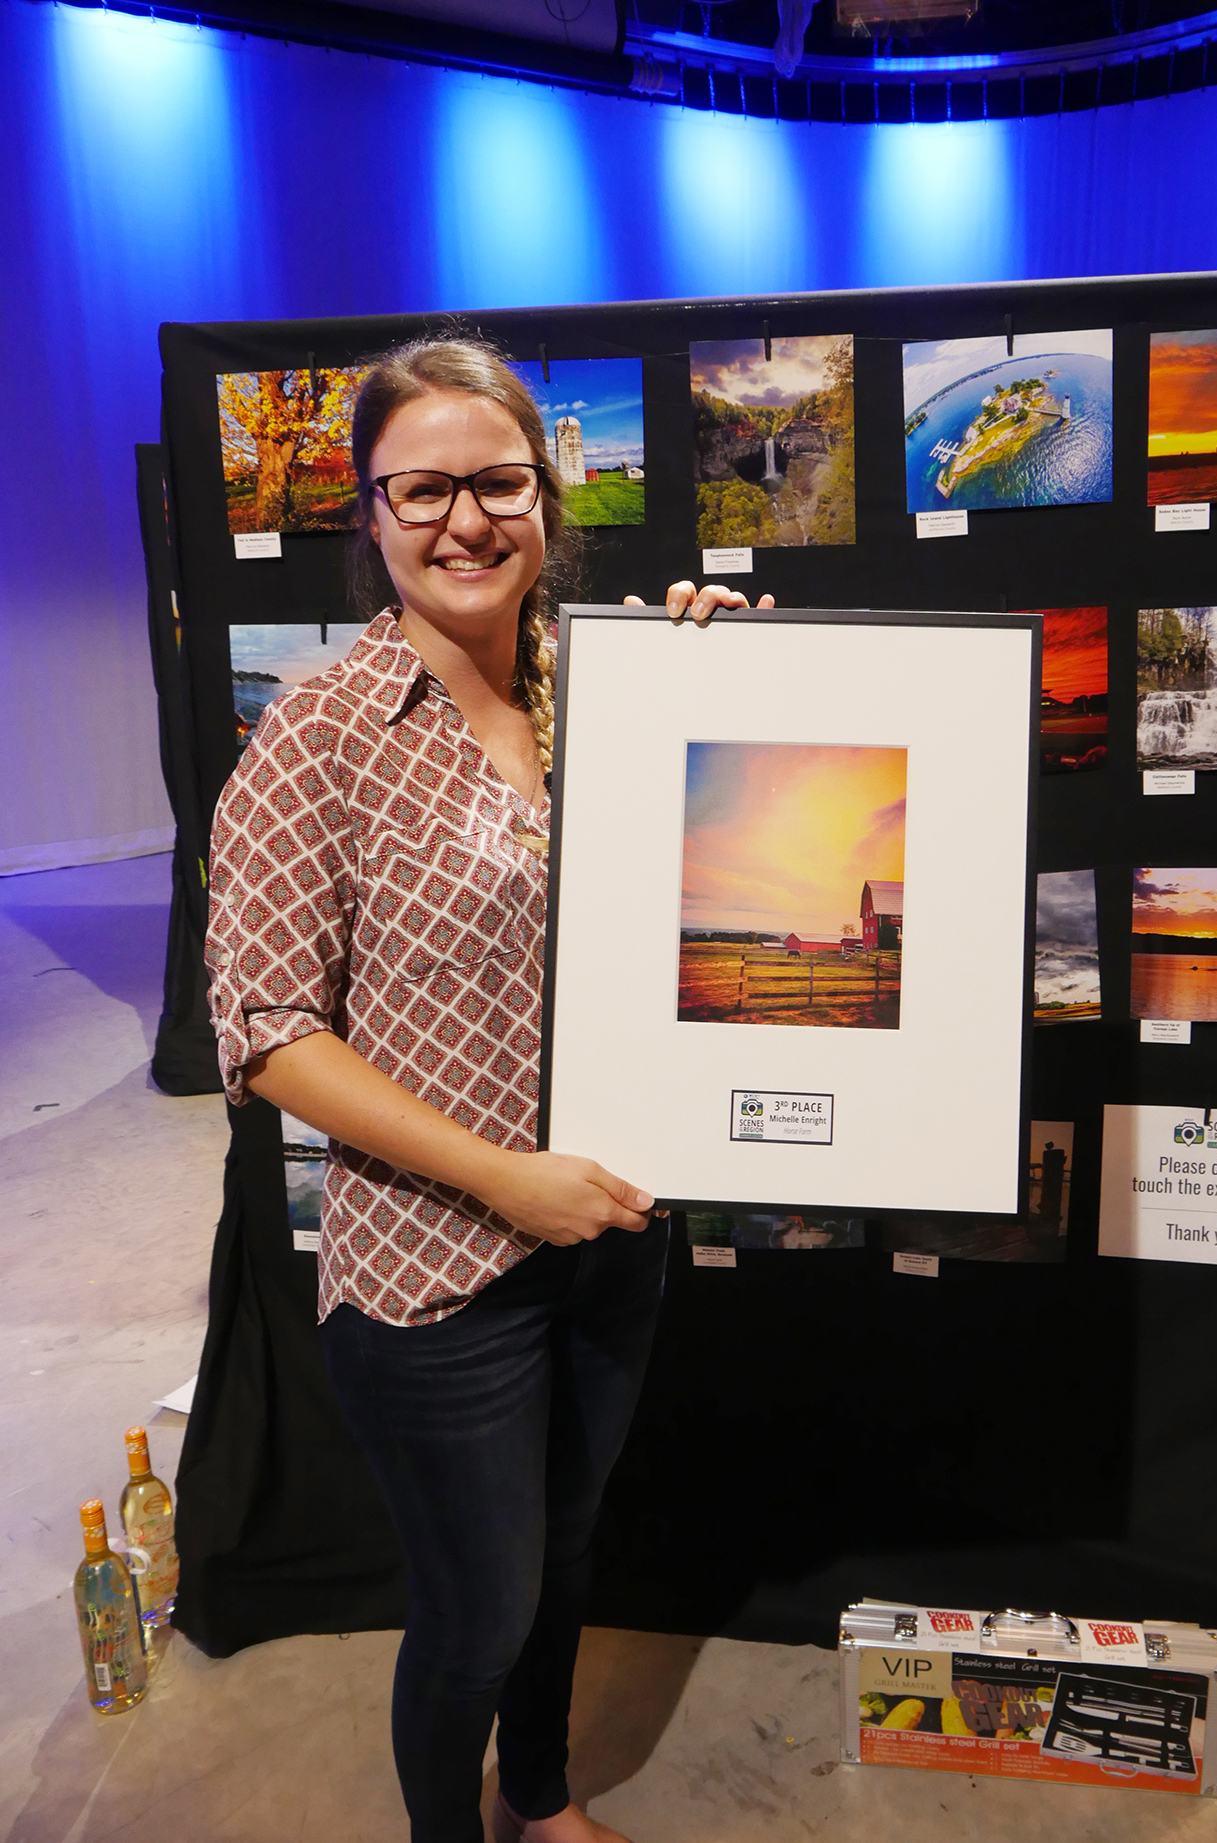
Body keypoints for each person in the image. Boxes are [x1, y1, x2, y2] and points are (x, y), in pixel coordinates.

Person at [204, 335, 768, 1843]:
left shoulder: (613, 687)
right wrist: (505, 1177)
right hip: (433, 1271)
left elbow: (720, 857)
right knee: (476, 1612)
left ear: (545, 494)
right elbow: (267, 1033)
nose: (466, 520)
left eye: (499, 482)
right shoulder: (314, 739)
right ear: (371, 513)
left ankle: (540, 1793)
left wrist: (746, 678)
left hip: (613, 1227)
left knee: (568, 1553)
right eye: (424, 489)